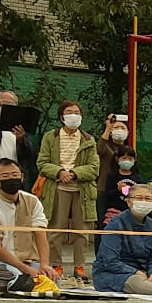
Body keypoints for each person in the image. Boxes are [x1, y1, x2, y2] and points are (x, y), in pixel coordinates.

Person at [37, 99, 99, 282]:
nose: (74, 116)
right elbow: (42, 163)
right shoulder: (51, 136)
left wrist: (73, 173)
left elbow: (94, 168)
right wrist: (59, 172)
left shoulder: (88, 139)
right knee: (56, 228)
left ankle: (79, 267)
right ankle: (56, 264)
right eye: (70, 112)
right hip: (56, 188)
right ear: (62, 116)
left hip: (82, 190)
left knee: (82, 231)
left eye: (78, 113)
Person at [0, 157, 54, 294]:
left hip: (28, 261)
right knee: (6, 278)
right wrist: (25, 269)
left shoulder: (32, 201)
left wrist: (44, 264)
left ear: (22, 177)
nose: (11, 179)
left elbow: (40, 234)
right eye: (5, 176)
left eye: (14, 175)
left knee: (50, 279)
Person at [94, 184, 152, 295]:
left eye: (148, 198)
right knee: (135, 281)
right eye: (138, 198)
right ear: (128, 202)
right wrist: (135, 272)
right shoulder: (115, 224)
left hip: (144, 272)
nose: (143, 201)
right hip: (114, 273)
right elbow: (110, 261)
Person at [102, 140, 142, 223]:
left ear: (134, 160)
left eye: (130, 159)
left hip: (132, 213)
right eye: (124, 158)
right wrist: (118, 190)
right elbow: (108, 194)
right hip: (114, 212)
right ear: (117, 159)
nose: (127, 161)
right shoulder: (112, 176)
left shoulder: (137, 177)